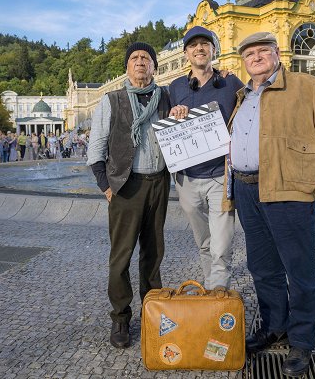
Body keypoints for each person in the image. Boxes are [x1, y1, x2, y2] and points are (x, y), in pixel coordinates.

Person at [225, 32, 315, 377]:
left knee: (300, 270)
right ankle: (274, 325)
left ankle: (302, 340)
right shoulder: (242, 95)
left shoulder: (306, 86)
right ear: (243, 62)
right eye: (249, 54)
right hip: (248, 190)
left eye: (263, 51)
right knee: (263, 267)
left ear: (278, 54)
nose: (256, 57)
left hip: (290, 188)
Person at [86, 42, 171, 349]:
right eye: (134, 58)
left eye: (146, 58)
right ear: (127, 66)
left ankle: (153, 312)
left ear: (153, 67)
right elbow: (95, 148)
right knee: (120, 256)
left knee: (153, 252)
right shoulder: (112, 100)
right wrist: (105, 186)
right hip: (126, 185)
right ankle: (121, 317)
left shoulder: (166, 97)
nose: (140, 62)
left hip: (158, 182)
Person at [168, 26, 243, 290]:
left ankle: (216, 294)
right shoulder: (175, 87)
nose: (199, 48)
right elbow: (166, 127)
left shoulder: (230, 82)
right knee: (204, 243)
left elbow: (251, 109)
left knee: (221, 245)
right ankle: (212, 291)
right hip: (187, 179)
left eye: (205, 44)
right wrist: (174, 113)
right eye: (193, 45)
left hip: (221, 176)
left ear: (213, 50)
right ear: (186, 53)